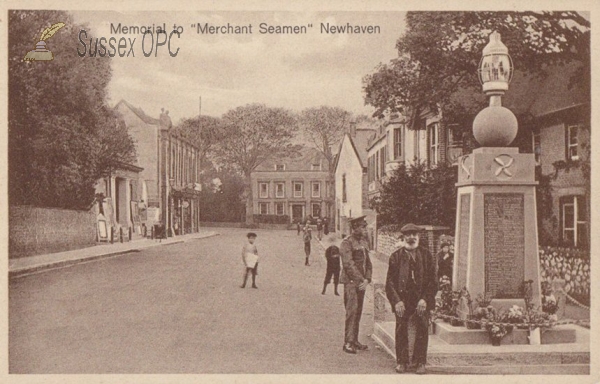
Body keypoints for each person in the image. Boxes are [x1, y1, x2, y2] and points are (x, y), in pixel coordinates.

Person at [385, 224, 438, 374]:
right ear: (403, 237)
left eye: (414, 234)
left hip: (421, 299)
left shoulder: (426, 256)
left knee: (422, 328)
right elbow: (389, 283)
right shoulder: (396, 257)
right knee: (401, 328)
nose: (411, 237)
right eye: (408, 235)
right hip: (403, 300)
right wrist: (397, 301)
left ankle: (420, 362)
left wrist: (425, 299)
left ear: (419, 236)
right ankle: (401, 362)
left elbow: (433, 282)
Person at [340, 216, 372, 354]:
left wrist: (368, 279)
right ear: (355, 228)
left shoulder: (364, 242)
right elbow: (348, 264)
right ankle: (348, 342)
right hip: (351, 282)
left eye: (365, 226)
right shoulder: (347, 243)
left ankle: (355, 340)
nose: (365, 229)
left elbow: (368, 263)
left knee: (358, 311)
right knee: (352, 311)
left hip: (362, 283)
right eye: (362, 227)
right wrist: (361, 280)